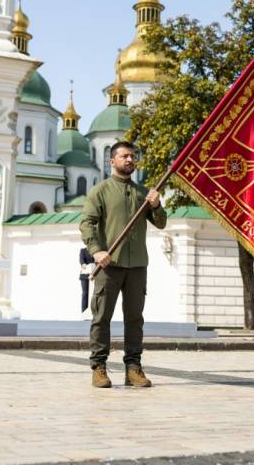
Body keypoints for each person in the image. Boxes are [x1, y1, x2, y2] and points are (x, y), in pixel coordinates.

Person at [80, 140, 167, 388]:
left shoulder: (143, 193)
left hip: (137, 265)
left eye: (132, 156)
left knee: (134, 319)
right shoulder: (100, 191)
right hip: (109, 265)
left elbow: (161, 223)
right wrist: (96, 251)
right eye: (124, 156)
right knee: (101, 317)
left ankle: (133, 368)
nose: (130, 160)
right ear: (112, 161)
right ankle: (99, 367)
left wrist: (156, 205)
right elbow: (87, 224)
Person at [79, 247, 94, 313]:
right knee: (85, 293)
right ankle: (84, 312)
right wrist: (83, 264)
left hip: (95, 275)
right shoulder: (83, 250)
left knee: (95, 294)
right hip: (85, 275)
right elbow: (82, 261)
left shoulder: (97, 250)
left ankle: (94, 312)